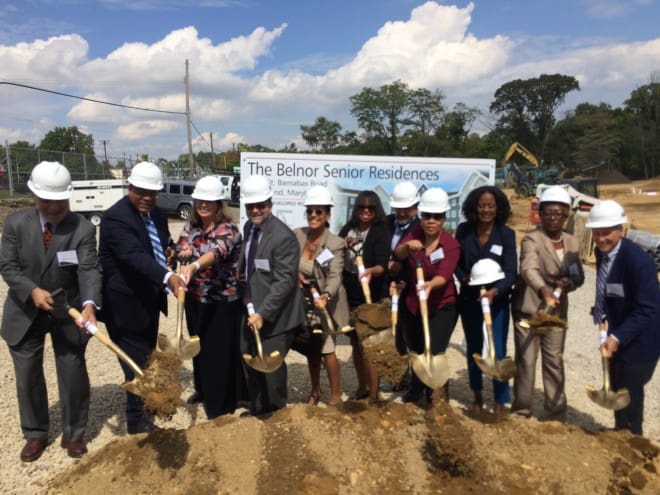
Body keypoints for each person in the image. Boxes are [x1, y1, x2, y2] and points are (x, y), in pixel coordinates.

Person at [0, 161, 102, 461]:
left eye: (60, 200)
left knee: (73, 373)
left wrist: (89, 304)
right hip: (24, 311)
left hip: (66, 312)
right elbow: (7, 265)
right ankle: (35, 433)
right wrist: (31, 290)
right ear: (34, 196)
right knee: (27, 375)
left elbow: (89, 269)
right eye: (47, 200)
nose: (55, 206)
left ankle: (74, 434)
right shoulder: (16, 224)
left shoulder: (82, 227)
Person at [99, 161, 187, 434]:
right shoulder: (115, 218)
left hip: (148, 301)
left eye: (153, 193)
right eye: (141, 192)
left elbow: (160, 242)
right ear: (130, 187)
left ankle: (142, 411)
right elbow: (133, 256)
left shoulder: (157, 214)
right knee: (135, 363)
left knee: (146, 356)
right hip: (124, 305)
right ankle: (138, 421)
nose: (148, 198)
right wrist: (167, 277)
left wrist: (170, 251)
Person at [510, 185, 584, 422]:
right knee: (526, 361)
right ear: (540, 215)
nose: (553, 218)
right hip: (530, 309)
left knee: (554, 361)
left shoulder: (573, 242)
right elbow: (528, 268)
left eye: (559, 213)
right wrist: (543, 289)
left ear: (566, 216)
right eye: (548, 212)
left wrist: (569, 283)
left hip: (557, 314)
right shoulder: (532, 239)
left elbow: (578, 275)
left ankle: (555, 414)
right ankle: (521, 410)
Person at [585, 200, 659, 435]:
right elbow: (609, 285)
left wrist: (617, 337)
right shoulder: (602, 251)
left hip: (642, 340)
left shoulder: (639, 262)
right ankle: (619, 432)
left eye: (606, 233)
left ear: (620, 230)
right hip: (617, 329)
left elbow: (648, 308)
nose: (601, 239)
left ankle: (633, 439)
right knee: (616, 384)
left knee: (630, 392)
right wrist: (601, 308)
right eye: (597, 233)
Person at [176, 176, 243, 418]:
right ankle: (203, 389)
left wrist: (193, 265)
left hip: (222, 301)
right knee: (198, 348)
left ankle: (222, 405)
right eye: (200, 200)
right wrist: (179, 251)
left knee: (219, 352)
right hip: (195, 299)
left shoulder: (229, 229)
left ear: (219, 204)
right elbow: (181, 245)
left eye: (210, 201)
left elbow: (217, 253)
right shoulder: (191, 227)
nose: (204, 205)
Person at [238, 175, 305, 416]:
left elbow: (284, 282)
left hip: (276, 314)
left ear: (270, 204)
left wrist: (264, 313)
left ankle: (277, 414)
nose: (255, 210)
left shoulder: (283, 237)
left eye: (261, 205)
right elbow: (248, 263)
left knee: (271, 365)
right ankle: (258, 409)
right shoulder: (249, 227)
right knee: (250, 357)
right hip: (251, 306)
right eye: (251, 206)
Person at [454, 185, 517, 418]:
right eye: (482, 205)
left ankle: (500, 400)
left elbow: (512, 272)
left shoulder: (506, 234)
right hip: (470, 299)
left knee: (497, 350)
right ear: (474, 207)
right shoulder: (463, 231)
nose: (486, 210)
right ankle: (477, 394)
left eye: (491, 205)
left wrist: (496, 291)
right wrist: (463, 277)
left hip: (497, 302)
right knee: (474, 348)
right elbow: (456, 262)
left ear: (498, 207)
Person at [393, 188, 460, 405]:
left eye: (437, 216)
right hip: (413, 304)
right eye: (427, 216)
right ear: (420, 216)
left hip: (441, 305)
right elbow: (398, 255)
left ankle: (437, 398)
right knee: (417, 349)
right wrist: (406, 246)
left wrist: (431, 284)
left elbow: (444, 275)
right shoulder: (414, 234)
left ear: (444, 218)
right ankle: (415, 390)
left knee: (435, 351)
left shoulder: (450, 245)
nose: (431, 221)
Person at [294, 186, 349, 406]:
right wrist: (295, 274)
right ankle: (315, 391)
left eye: (319, 211)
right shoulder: (298, 234)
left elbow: (335, 275)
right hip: (305, 303)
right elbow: (287, 260)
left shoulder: (334, 243)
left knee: (327, 350)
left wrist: (326, 294)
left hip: (326, 304)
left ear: (327, 214)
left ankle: (335, 394)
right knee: (312, 349)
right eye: (310, 211)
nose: (314, 215)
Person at [338, 190, 389, 400]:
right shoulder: (348, 229)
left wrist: (370, 271)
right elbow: (332, 252)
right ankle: (363, 386)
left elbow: (382, 265)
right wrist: (342, 246)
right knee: (355, 343)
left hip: (371, 290)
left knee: (369, 343)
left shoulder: (380, 231)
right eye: (361, 207)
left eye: (370, 208)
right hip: (350, 289)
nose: (365, 212)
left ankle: (374, 394)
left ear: (376, 210)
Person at [387, 181, 420, 365]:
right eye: (398, 208)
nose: (401, 213)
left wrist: (404, 280)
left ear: (415, 208)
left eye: (406, 209)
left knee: (410, 333)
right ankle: (399, 376)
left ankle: (416, 375)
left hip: (410, 287)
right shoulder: (386, 224)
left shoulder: (421, 229)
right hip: (388, 285)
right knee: (394, 332)